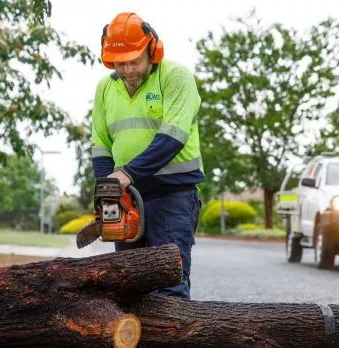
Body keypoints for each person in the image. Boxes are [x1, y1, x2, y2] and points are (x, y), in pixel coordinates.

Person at [91, 12, 203, 299]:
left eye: (134, 61)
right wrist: (108, 188)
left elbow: (172, 137)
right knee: (127, 286)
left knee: (170, 285)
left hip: (172, 196)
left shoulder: (176, 77)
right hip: (128, 197)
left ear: (152, 51)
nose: (127, 69)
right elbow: (101, 145)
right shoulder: (106, 88)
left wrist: (125, 175)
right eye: (120, 62)